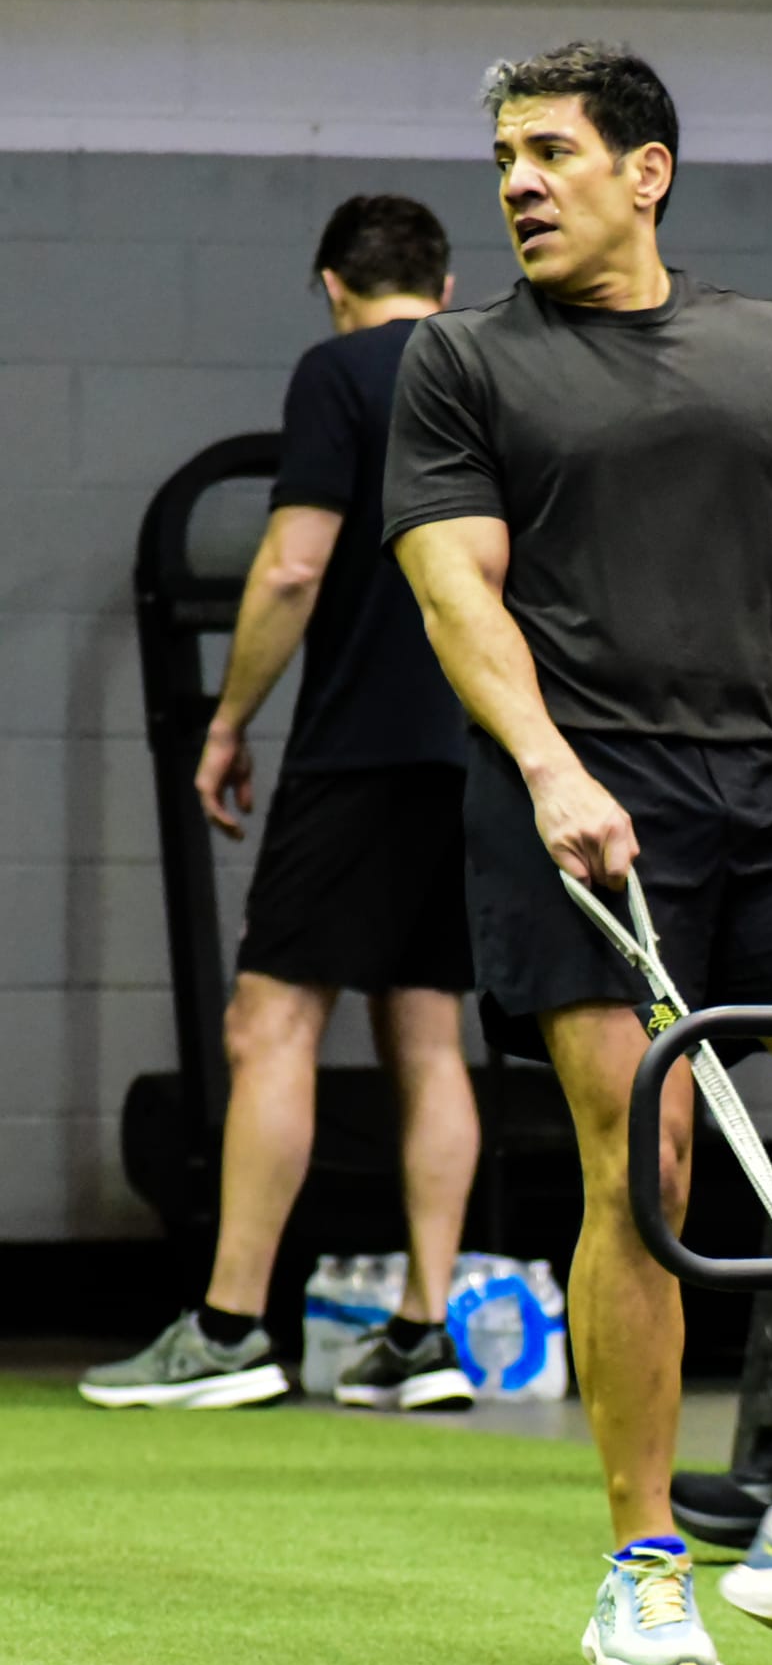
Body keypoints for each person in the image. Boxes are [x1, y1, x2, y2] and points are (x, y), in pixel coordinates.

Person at [383, 41, 772, 1665]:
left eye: (552, 151)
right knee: (648, 1163)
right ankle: (642, 1561)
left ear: (646, 171)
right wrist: (548, 766)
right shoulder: (462, 362)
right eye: (505, 157)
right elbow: (454, 591)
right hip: (588, 803)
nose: (519, 183)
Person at [83, 197, 480, 1418]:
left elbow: (296, 563)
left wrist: (228, 721)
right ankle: (423, 1332)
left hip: (358, 754)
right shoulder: (489, 369)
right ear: (445, 285)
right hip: (478, 751)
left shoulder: (338, 372)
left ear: (332, 285)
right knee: (427, 1034)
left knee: (268, 1026)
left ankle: (228, 1327)